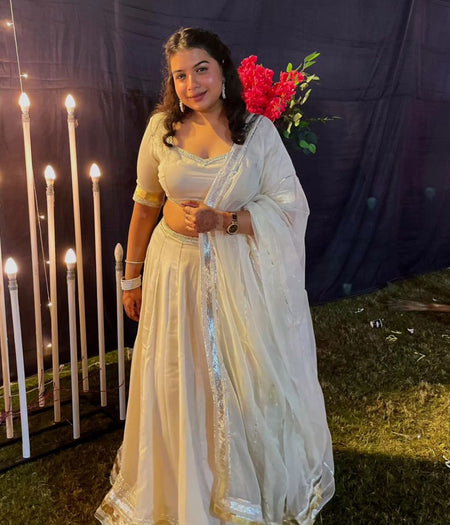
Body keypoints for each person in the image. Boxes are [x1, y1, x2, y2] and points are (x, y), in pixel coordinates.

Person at [95, 27, 334, 525]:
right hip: (173, 274)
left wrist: (222, 221)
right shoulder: (161, 129)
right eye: (180, 75)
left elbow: (289, 210)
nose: (191, 84)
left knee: (241, 376)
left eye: (200, 69)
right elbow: (145, 207)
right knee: (177, 377)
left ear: (223, 69)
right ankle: (181, 485)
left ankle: (240, 487)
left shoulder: (258, 133)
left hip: (237, 279)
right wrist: (131, 279)